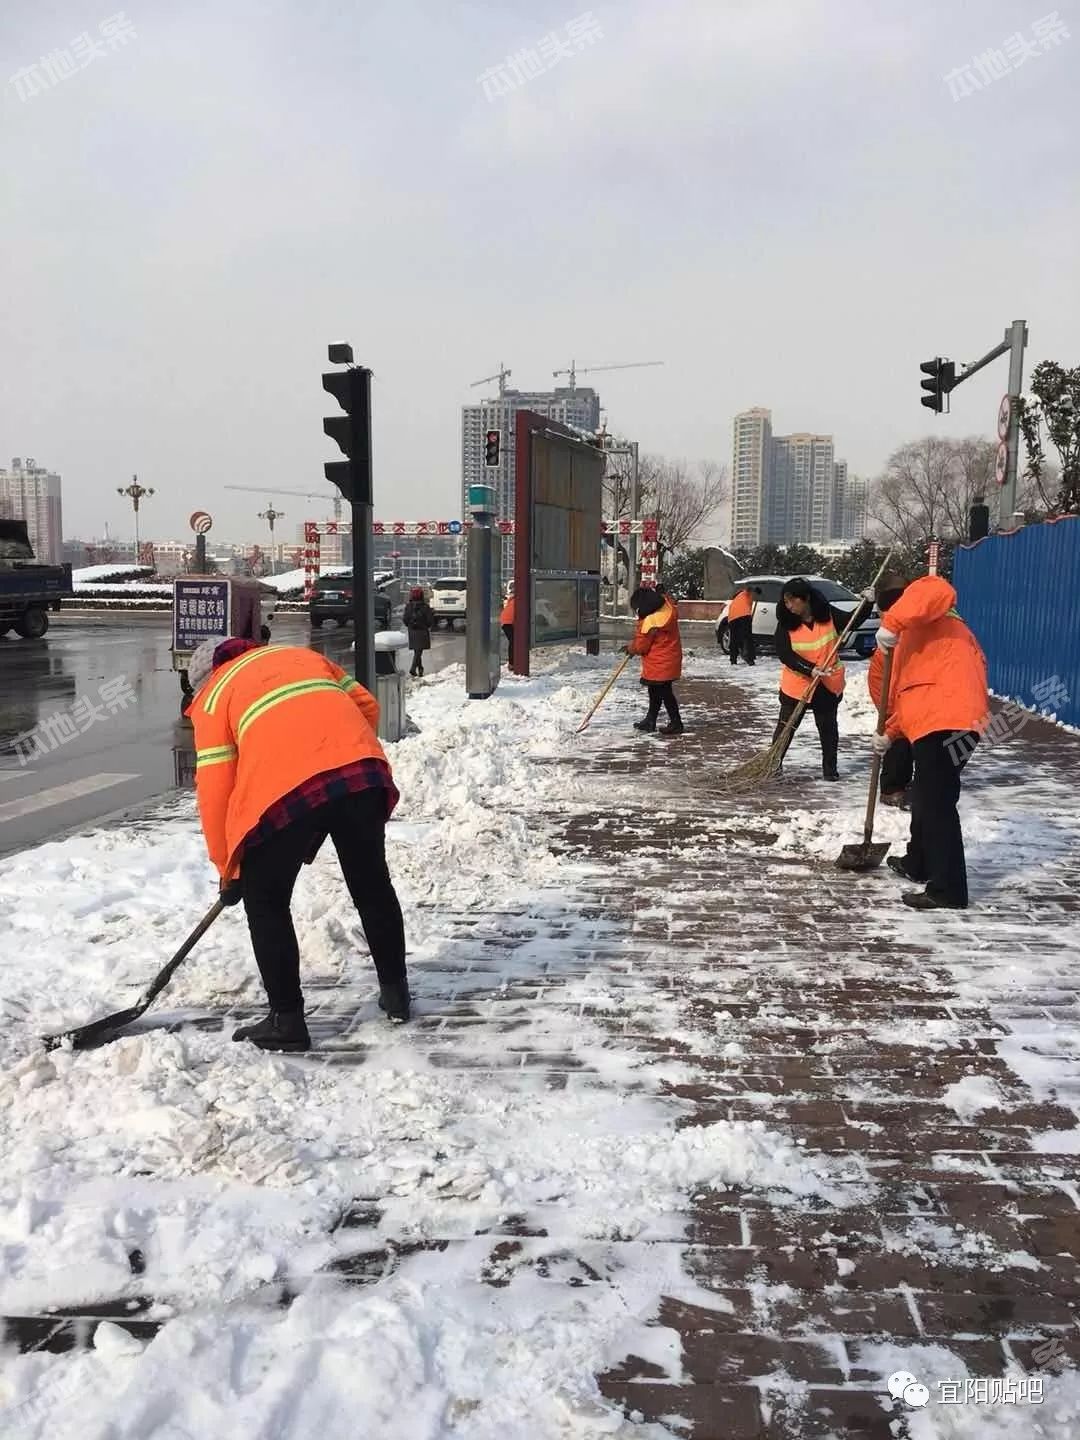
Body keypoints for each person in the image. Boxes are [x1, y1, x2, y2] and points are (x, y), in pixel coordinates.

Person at [186, 635, 411, 1051]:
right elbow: (367, 706)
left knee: (265, 900)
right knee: (371, 884)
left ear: (204, 678)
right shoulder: (300, 657)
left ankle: (286, 1021)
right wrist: (339, 762)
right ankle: (396, 993)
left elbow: (216, 789)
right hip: (362, 773)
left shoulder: (215, 696)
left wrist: (229, 869)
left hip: (286, 789)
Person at [870, 571, 987, 910]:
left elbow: (938, 588)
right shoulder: (916, 644)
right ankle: (918, 862)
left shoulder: (932, 609)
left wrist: (892, 622)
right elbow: (912, 696)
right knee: (928, 794)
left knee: (935, 803)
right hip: (954, 720)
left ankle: (949, 890)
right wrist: (890, 734)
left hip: (950, 719)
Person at [772, 578, 846, 780]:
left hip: (826, 685)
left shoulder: (828, 615)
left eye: (792, 601)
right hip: (797, 686)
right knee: (786, 728)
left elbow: (852, 620)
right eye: (785, 602)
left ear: (805, 599)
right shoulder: (786, 623)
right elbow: (785, 654)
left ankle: (830, 769)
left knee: (828, 729)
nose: (788, 606)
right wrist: (809, 669)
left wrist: (867, 603)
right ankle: (773, 765)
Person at [867, 574, 912, 807]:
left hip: (914, 692)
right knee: (898, 739)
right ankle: (892, 787)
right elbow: (879, 678)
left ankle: (921, 785)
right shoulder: (892, 622)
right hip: (890, 690)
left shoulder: (918, 616)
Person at [626, 586, 684, 736]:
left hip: (659, 663)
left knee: (664, 692)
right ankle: (650, 720)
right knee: (655, 691)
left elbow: (641, 646)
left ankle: (676, 723)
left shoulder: (651, 621)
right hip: (668, 659)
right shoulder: (665, 609)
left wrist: (630, 649)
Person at [402, 585, 435, 678]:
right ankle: (413, 668)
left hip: (412, 631)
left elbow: (405, 619)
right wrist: (426, 626)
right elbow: (430, 621)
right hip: (422, 631)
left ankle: (420, 668)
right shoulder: (425, 607)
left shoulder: (408, 606)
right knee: (418, 651)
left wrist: (410, 625)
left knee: (417, 650)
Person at [727, 585, 756, 666]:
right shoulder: (744, 594)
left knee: (734, 639)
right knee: (747, 637)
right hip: (744, 616)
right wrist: (755, 589)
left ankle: (733, 660)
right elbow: (748, 589)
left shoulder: (735, 600)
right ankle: (750, 659)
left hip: (732, 619)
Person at [501, 588, 516, 668]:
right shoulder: (517, 601)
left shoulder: (512, 600)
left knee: (513, 642)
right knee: (513, 642)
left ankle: (512, 663)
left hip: (505, 622)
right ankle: (512, 663)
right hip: (508, 622)